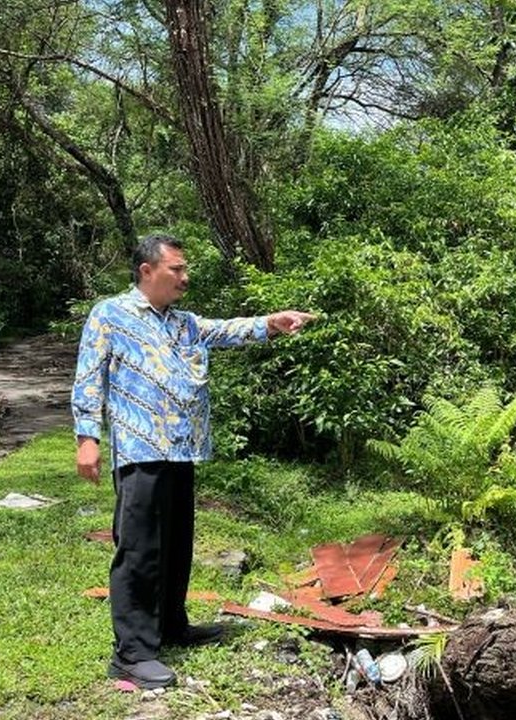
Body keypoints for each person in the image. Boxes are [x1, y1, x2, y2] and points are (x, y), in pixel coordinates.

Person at [71, 233, 314, 688]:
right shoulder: (111, 315)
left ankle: (171, 628)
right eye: (177, 269)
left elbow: (224, 330)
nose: (185, 277)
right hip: (140, 451)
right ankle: (132, 653)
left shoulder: (181, 323)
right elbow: (89, 377)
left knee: (177, 546)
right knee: (139, 551)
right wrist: (88, 438)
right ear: (148, 271)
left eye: (185, 269)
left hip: (181, 448)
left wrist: (272, 322)